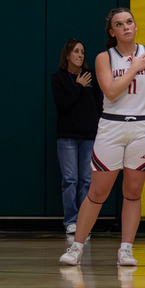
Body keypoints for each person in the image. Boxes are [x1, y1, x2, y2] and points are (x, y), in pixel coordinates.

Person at [59, 8, 145, 266]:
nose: (126, 26)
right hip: (112, 127)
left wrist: (140, 110)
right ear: (112, 32)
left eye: (130, 22)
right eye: (120, 24)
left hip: (143, 128)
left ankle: (126, 249)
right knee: (97, 191)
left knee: (133, 191)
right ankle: (76, 247)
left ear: (136, 26)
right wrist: (134, 68)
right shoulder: (103, 58)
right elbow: (111, 91)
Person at [51, 39, 102, 236]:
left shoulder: (91, 78)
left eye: (82, 52)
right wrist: (78, 86)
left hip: (89, 136)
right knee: (70, 180)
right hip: (67, 138)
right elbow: (63, 104)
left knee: (87, 180)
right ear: (67, 55)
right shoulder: (59, 78)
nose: (80, 55)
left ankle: (84, 222)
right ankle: (71, 221)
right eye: (76, 52)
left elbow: (98, 106)